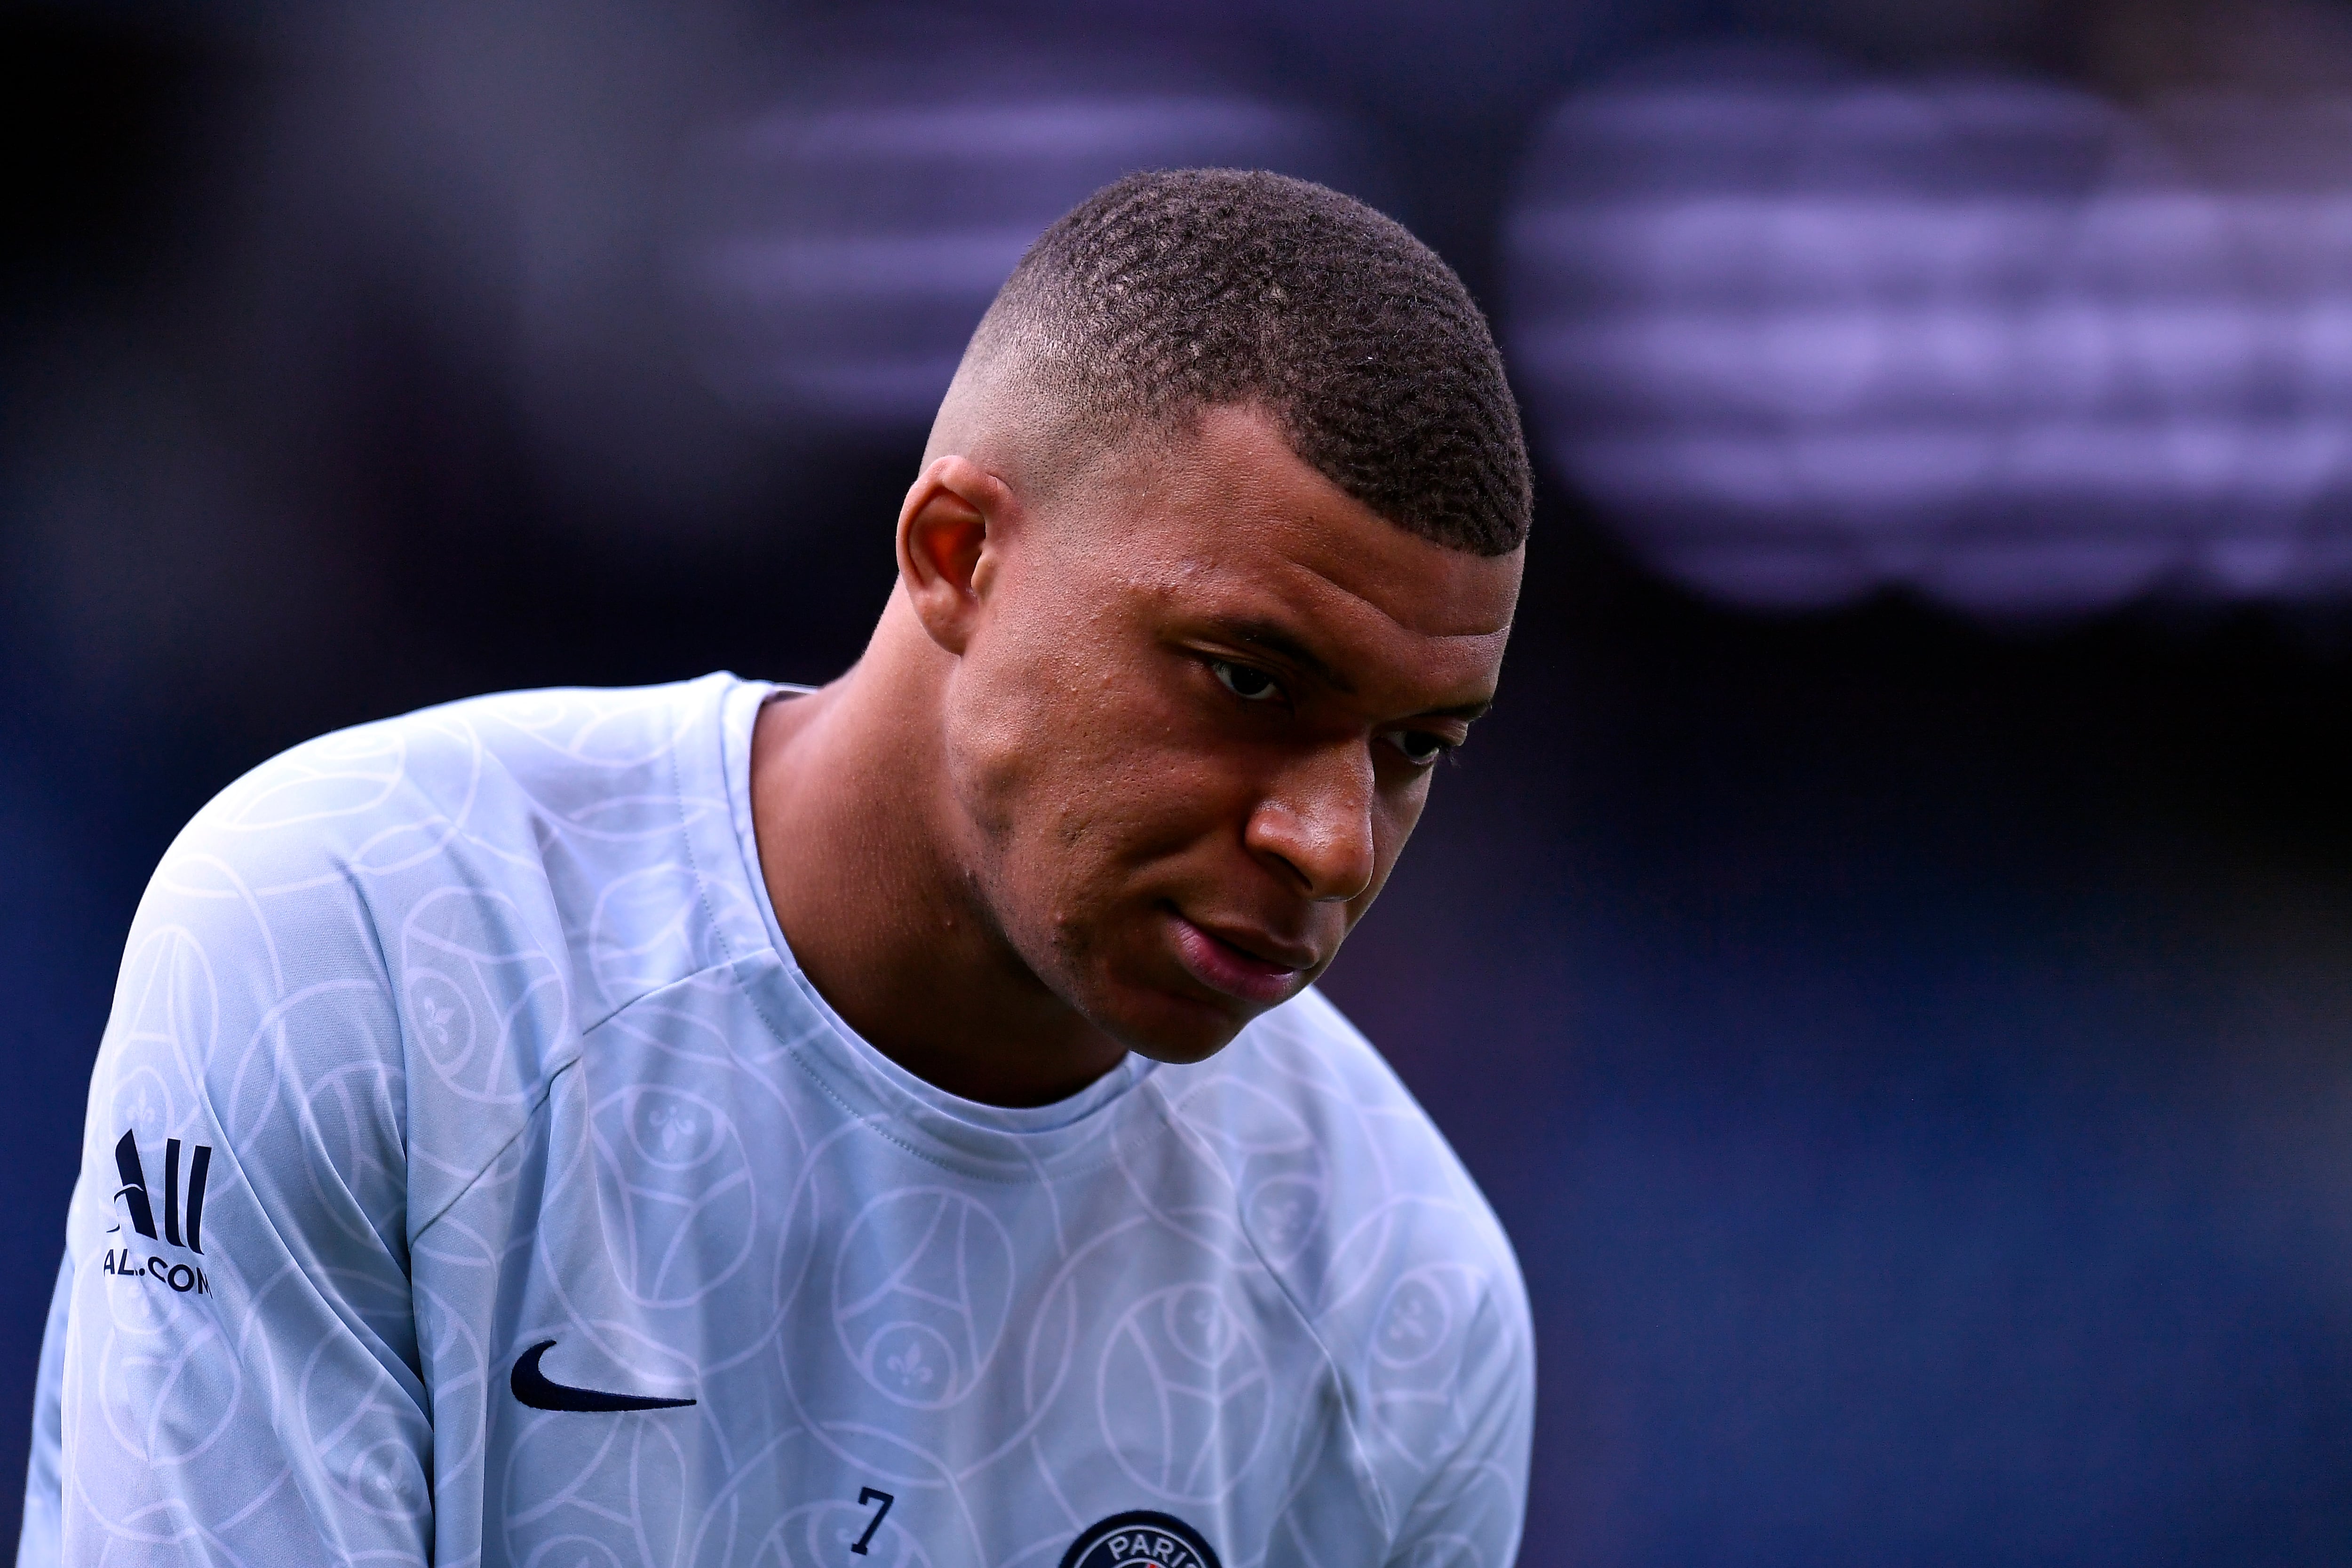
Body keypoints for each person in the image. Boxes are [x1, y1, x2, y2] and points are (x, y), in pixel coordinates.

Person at [19, 168, 1534, 1568]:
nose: (1329, 842)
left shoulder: (1404, 1301)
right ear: (957, 556)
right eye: (1246, 682)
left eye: (1416, 748)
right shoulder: (357, 939)